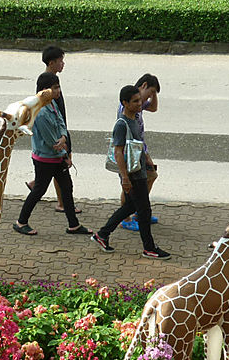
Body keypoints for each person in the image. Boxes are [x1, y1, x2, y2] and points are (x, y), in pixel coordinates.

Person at [92, 85, 171, 259]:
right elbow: (118, 151)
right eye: (135, 101)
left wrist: (148, 160)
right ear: (125, 103)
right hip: (133, 174)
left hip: (139, 169)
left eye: (139, 100)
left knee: (130, 206)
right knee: (144, 210)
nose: (139, 104)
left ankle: (102, 234)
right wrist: (125, 178)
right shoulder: (121, 124)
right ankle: (149, 248)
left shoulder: (135, 119)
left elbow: (139, 144)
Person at [13, 72, 90, 237]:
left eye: (58, 87)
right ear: (44, 90)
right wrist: (64, 152)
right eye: (55, 88)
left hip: (57, 157)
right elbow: (50, 141)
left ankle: (73, 225)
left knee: (67, 188)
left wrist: (63, 137)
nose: (59, 91)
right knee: (39, 190)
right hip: (45, 159)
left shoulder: (52, 104)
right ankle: (21, 222)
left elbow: (61, 122)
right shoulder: (40, 112)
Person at [26, 45, 80, 214]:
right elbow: (44, 114)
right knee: (61, 166)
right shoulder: (46, 82)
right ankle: (61, 202)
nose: (63, 64)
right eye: (60, 61)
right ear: (51, 63)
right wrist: (60, 140)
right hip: (53, 137)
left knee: (59, 171)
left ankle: (39, 185)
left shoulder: (53, 80)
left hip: (60, 131)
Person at [120, 73, 160, 232]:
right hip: (131, 151)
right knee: (128, 186)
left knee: (150, 176)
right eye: (149, 92)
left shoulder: (138, 102)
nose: (148, 98)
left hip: (140, 149)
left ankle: (139, 211)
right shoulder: (130, 103)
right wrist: (144, 154)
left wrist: (154, 94)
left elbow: (154, 108)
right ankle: (126, 218)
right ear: (143, 85)